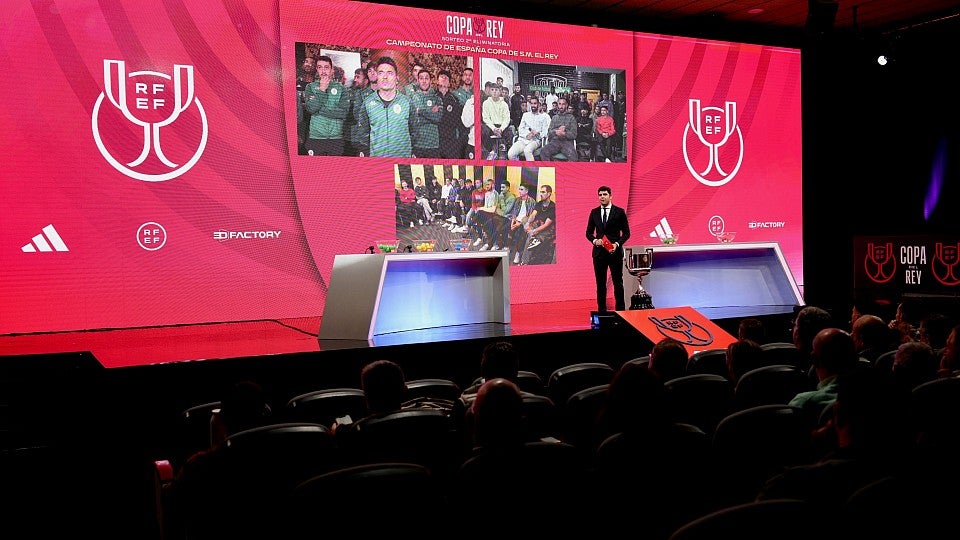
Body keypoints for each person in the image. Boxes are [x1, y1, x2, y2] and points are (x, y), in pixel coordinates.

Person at [585, 185, 631, 312]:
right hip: (599, 253)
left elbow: (627, 233)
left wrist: (617, 244)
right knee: (600, 284)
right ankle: (602, 311)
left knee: (618, 283)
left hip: (614, 253)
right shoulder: (594, 212)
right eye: (600, 195)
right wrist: (595, 241)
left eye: (605, 194)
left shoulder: (619, 212)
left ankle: (621, 311)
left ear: (610, 196)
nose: (602, 197)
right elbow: (588, 233)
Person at [358, 57, 412, 157]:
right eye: (381, 73)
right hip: (377, 162)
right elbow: (363, 132)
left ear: (397, 78)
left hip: (402, 162)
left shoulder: (407, 102)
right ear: (377, 77)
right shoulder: (368, 102)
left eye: (390, 73)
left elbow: (414, 131)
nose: (385, 77)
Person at [302, 55, 350, 156]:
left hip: (336, 138)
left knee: (336, 169)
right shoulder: (310, 87)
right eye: (320, 67)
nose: (323, 71)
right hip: (316, 137)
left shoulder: (342, 89)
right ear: (316, 69)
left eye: (326, 67)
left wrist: (319, 110)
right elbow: (311, 109)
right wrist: (322, 90)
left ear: (332, 69)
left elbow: (343, 113)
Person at [409, 69, 442, 158]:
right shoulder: (412, 98)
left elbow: (438, 118)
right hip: (418, 144)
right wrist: (431, 113)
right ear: (418, 80)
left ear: (430, 81)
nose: (424, 81)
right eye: (421, 78)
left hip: (433, 144)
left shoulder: (436, 98)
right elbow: (415, 121)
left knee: (432, 171)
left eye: (426, 78)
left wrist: (420, 111)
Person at [538, 96, 578, 161]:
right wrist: (556, 131)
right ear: (557, 105)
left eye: (563, 104)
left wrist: (564, 133)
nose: (561, 106)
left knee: (574, 157)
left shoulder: (571, 118)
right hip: (555, 142)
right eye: (559, 104)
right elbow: (549, 133)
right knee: (543, 152)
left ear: (566, 105)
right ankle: (550, 170)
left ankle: (565, 171)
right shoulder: (554, 118)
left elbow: (574, 134)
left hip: (566, 142)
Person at [296, 55, 316, 155]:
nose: (308, 64)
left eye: (311, 63)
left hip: (312, 121)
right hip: (298, 121)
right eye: (306, 62)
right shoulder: (295, 81)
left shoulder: (317, 84)